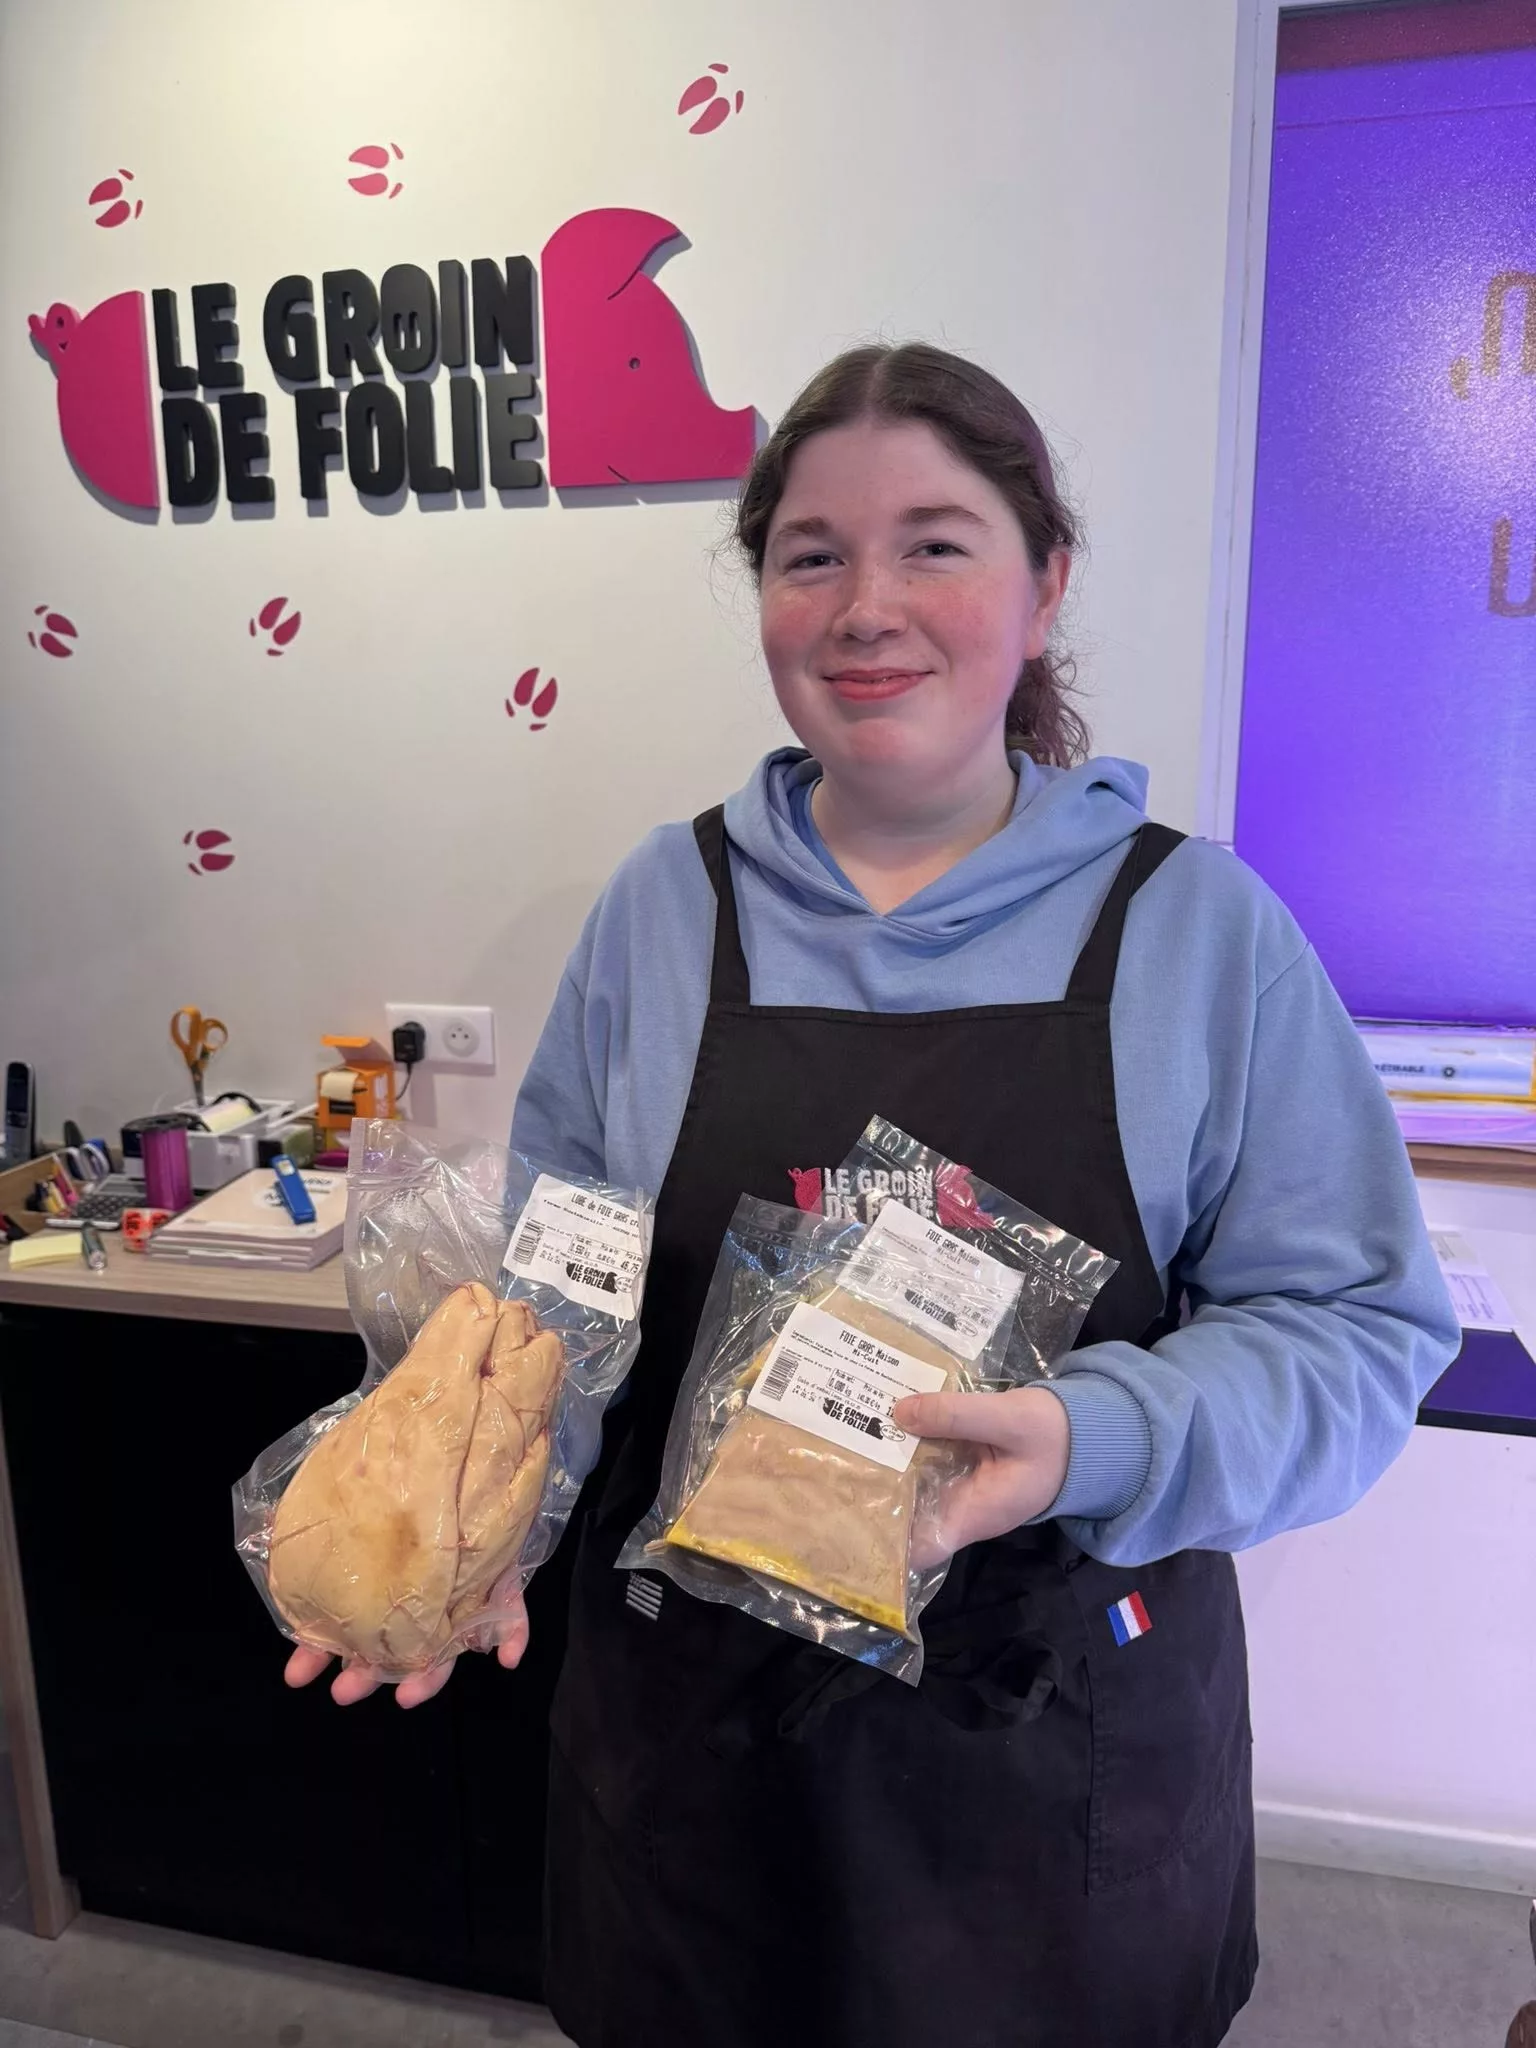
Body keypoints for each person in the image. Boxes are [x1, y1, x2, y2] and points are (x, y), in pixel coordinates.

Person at [288, 342, 1459, 2047]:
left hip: (1050, 1772)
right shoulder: (662, 911)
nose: (865, 607)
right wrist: (484, 1522)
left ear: (1046, 583)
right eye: (811, 555)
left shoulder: (1202, 935)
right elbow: (561, 1292)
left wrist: (1095, 1435)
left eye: (935, 544)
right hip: (691, 1763)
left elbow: (1357, 1335)